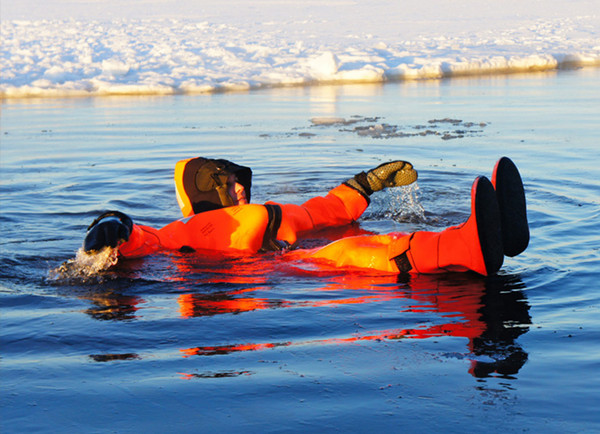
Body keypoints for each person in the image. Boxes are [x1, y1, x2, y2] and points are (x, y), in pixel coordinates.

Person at [83, 156, 529, 276]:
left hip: (285, 255)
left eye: (239, 179)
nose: (238, 186)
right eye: (225, 181)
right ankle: (465, 246)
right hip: (268, 269)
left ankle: (497, 236)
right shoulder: (180, 233)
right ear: (205, 191)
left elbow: (324, 210)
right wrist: (112, 224)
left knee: (346, 239)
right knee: (349, 251)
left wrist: (367, 183)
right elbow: (142, 241)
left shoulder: (271, 211)